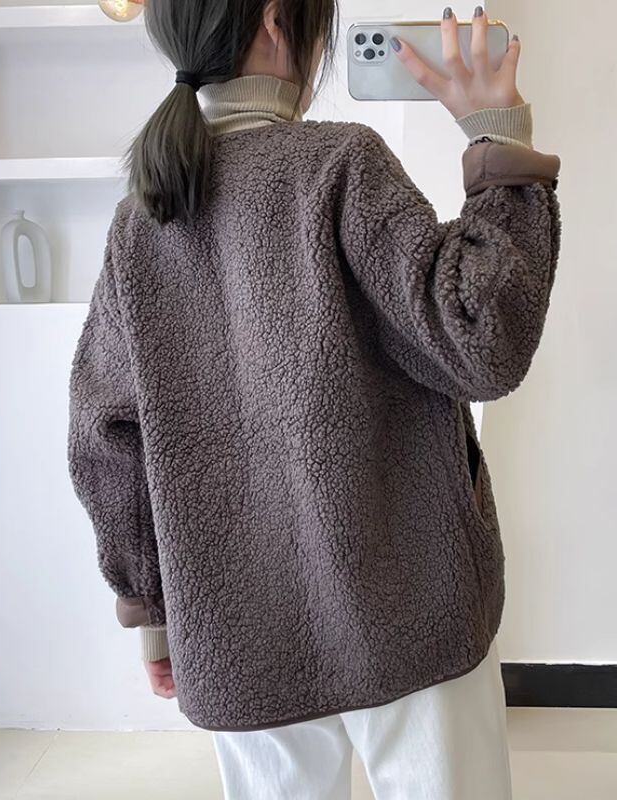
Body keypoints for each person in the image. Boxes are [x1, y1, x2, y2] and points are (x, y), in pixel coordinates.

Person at [67, 1, 561, 797]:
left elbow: (103, 437)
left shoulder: (141, 221)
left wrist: (152, 611)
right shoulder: (340, 164)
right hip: (410, 607)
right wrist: (496, 137)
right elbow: (481, 339)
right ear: (276, 22)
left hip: (238, 629)